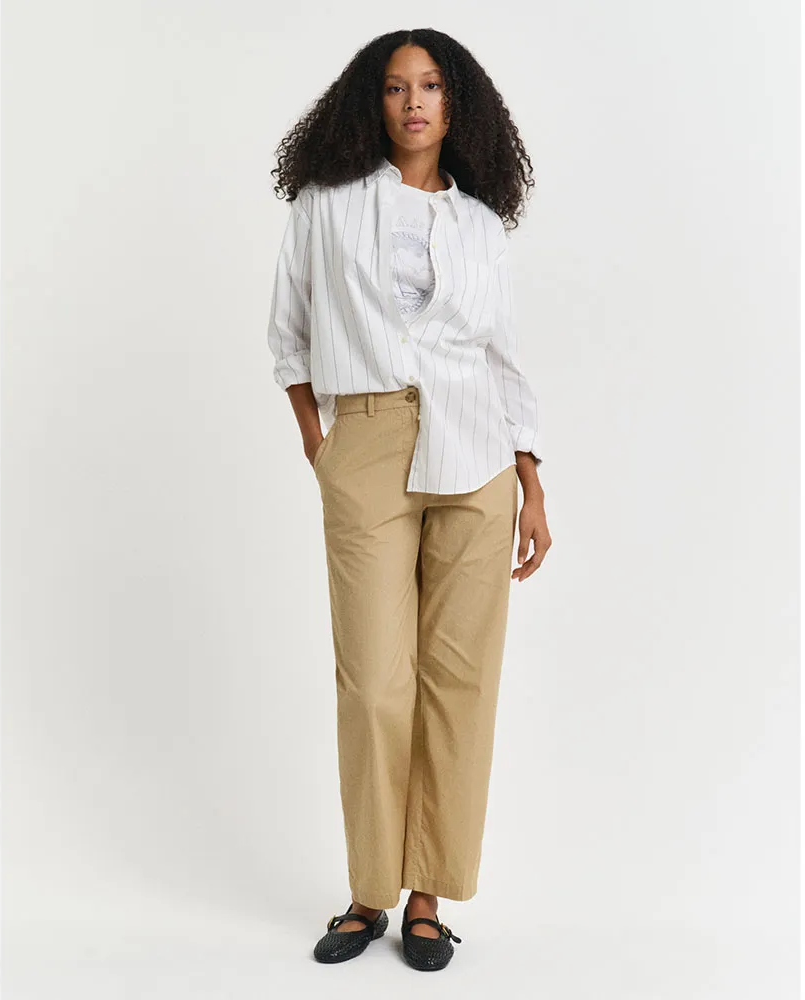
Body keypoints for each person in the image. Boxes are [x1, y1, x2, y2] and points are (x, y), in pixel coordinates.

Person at [266, 28, 552, 972]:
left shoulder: (479, 225)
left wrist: (531, 480)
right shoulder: (326, 204)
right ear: (372, 101)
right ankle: (368, 892)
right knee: (374, 683)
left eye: (430, 86)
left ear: (455, 103)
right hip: (368, 443)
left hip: (479, 455)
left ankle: (426, 895)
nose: (415, 102)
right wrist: (321, 444)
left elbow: (504, 355)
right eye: (396, 87)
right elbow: (290, 333)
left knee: (459, 683)